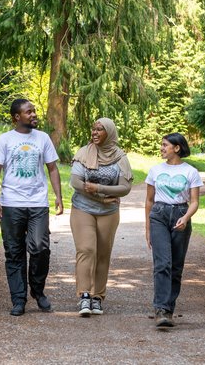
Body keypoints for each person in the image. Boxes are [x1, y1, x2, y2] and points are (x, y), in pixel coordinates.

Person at [0, 98, 64, 316]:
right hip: (11, 203)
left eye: (34, 111)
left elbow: (52, 168)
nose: (34, 115)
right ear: (17, 117)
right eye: (29, 112)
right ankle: (18, 299)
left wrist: (58, 196)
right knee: (14, 252)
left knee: (40, 248)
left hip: (37, 203)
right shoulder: (5, 140)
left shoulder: (43, 138)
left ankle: (38, 291)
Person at [69, 118, 132, 317]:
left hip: (108, 213)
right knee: (86, 249)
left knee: (103, 253)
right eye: (93, 129)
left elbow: (125, 187)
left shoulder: (120, 157)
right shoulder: (84, 152)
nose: (94, 133)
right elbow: (76, 182)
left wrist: (99, 188)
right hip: (83, 208)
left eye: (100, 130)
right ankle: (85, 295)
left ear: (110, 133)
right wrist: (103, 197)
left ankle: (98, 297)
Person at [144, 133, 202, 327]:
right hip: (159, 215)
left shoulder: (190, 172)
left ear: (177, 148)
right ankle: (160, 309)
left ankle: (168, 310)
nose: (161, 148)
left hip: (181, 214)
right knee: (162, 263)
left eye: (165, 145)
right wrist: (147, 227)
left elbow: (194, 202)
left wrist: (185, 218)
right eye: (161, 145)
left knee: (176, 267)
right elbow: (149, 201)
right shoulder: (154, 170)